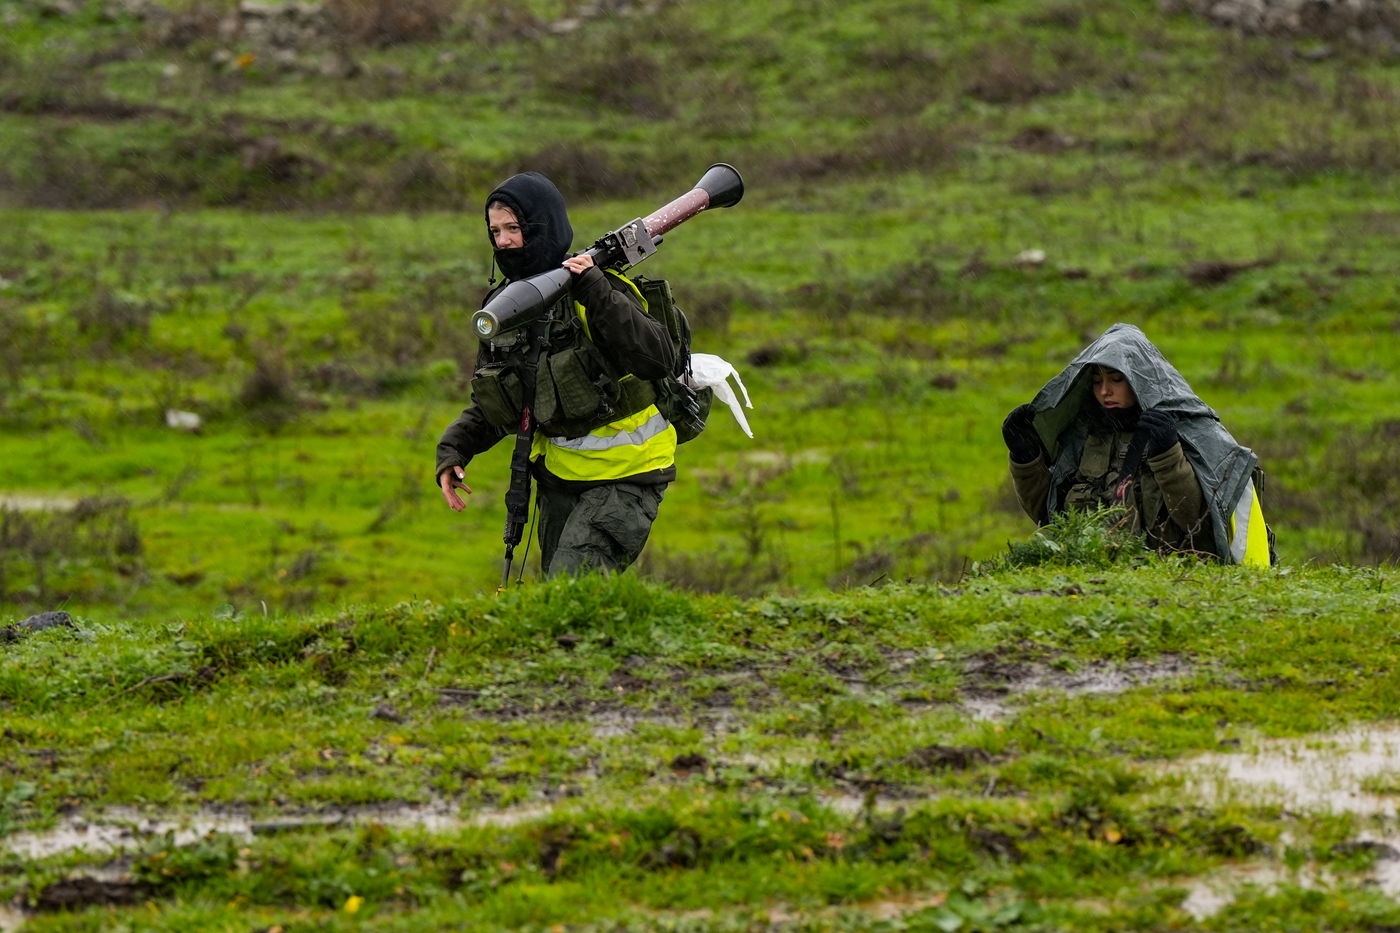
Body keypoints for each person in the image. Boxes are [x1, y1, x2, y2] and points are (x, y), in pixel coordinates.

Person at [435, 172, 678, 576]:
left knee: (571, 584)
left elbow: (657, 359)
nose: (503, 241)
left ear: (542, 226)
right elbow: (501, 400)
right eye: (495, 231)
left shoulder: (600, 290)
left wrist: (596, 293)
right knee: (561, 598)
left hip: (628, 476)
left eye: (514, 228)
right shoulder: (506, 308)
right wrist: (453, 451)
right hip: (561, 478)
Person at [1001, 323, 1272, 565]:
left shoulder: (1187, 432)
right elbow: (1052, 518)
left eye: (1116, 379)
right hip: (1088, 575)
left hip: (1169, 578)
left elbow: (1199, 524)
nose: (1105, 390)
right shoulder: (1082, 438)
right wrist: (1026, 460)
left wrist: (1167, 456)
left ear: (1140, 379)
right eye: (1097, 381)